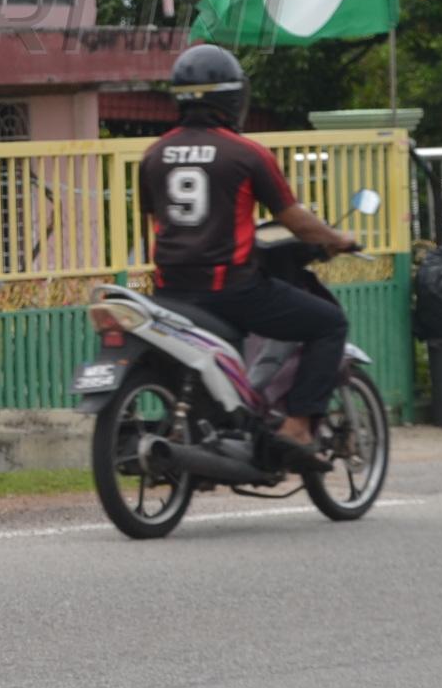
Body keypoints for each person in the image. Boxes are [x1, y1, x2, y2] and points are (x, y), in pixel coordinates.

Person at [139, 44, 360, 468]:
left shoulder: (154, 155)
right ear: (231, 98)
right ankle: (297, 425)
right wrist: (336, 238)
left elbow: (159, 221)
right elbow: (293, 218)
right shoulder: (246, 154)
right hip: (230, 291)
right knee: (329, 322)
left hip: (168, 292)